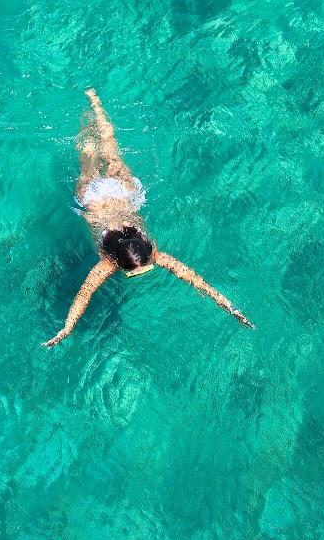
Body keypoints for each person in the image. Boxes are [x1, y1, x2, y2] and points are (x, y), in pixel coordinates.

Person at [43, 89, 254, 347]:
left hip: (118, 196)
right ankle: (95, 104)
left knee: (97, 153)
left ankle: (92, 106)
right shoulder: (112, 262)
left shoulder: (137, 256)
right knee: (100, 153)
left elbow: (84, 296)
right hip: (97, 200)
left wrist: (231, 308)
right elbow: (195, 280)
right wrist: (67, 328)